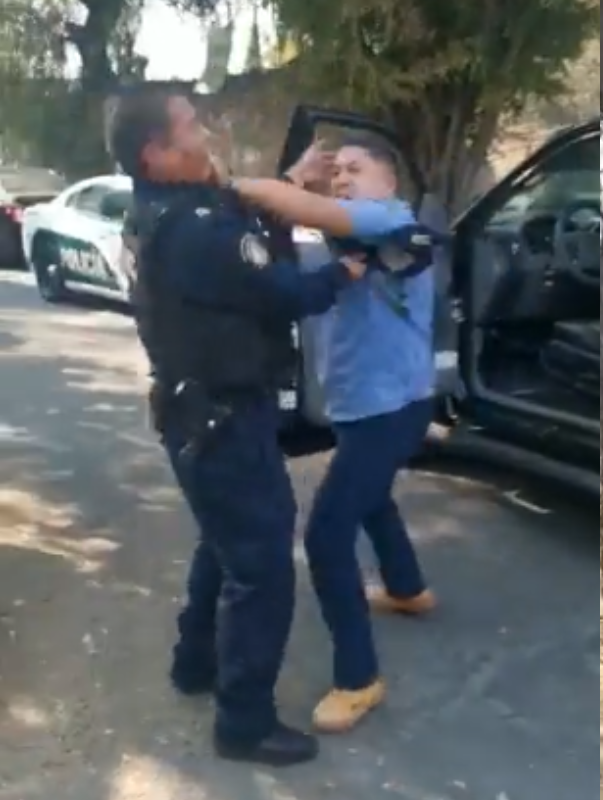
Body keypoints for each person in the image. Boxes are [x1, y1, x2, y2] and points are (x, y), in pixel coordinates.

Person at [108, 91, 367, 765]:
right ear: (155, 154)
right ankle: (243, 723)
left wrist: (290, 185)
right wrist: (346, 269)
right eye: (190, 127)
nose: (206, 132)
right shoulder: (194, 230)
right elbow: (283, 287)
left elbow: (236, 218)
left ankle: (194, 665)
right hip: (222, 418)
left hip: (197, 416)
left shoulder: (161, 213)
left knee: (223, 543)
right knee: (261, 568)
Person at [227, 136, 438, 733]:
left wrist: (229, 187)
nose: (342, 178)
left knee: (326, 536)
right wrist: (314, 186)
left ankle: (359, 677)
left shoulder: (390, 219)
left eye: (356, 169)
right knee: (372, 497)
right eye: (337, 170)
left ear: (389, 183)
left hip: (388, 409)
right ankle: (407, 588)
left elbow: (305, 209)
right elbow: (320, 217)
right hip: (371, 405)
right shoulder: (362, 230)